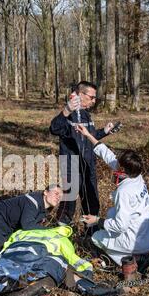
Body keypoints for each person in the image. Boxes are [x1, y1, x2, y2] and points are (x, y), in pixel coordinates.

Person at [76, 124, 149, 265]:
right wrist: (88, 135)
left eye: (119, 162)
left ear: (122, 168)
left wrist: (97, 220)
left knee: (97, 237)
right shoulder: (136, 175)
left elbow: (121, 225)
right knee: (111, 213)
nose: (116, 162)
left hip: (139, 241)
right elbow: (108, 155)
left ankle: (133, 263)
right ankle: (137, 255)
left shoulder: (124, 191)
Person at [50, 81, 115, 230]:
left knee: (92, 202)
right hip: (72, 166)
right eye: (91, 97)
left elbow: (88, 137)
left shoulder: (86, 115)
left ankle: (91, 235)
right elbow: (54, 128)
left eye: (94, 98)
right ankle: (60, 233)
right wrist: (66, 110)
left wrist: (103, 132)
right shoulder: (69, 114)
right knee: (69, 204)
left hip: (88, 165)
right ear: (80, 94)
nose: (93, 101)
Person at [0, 185, 63, 255]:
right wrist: (52, 231)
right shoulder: (32, 201)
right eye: (56, 193)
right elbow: (27, 226)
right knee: (5, 252)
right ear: (46, 192)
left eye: (60, 196)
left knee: (4, 255)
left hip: (3, 232)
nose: (58, 197)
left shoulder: (42, 211)